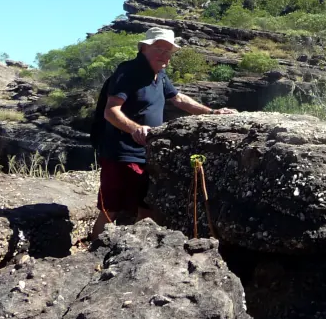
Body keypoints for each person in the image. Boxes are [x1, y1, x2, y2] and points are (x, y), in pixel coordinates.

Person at [90, 26, 234, 239]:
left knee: (146, 209)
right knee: (111, 209)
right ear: (144, 48)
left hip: (148, 153)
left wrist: (212, 112)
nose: (165, 55)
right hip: (120, 154)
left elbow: (179, 99)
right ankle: (95, 254)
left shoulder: (160, 75)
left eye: (169, 51)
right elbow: (111, 111)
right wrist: (135, 128)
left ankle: (135, 254)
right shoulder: (128, 71)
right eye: (160, 49)